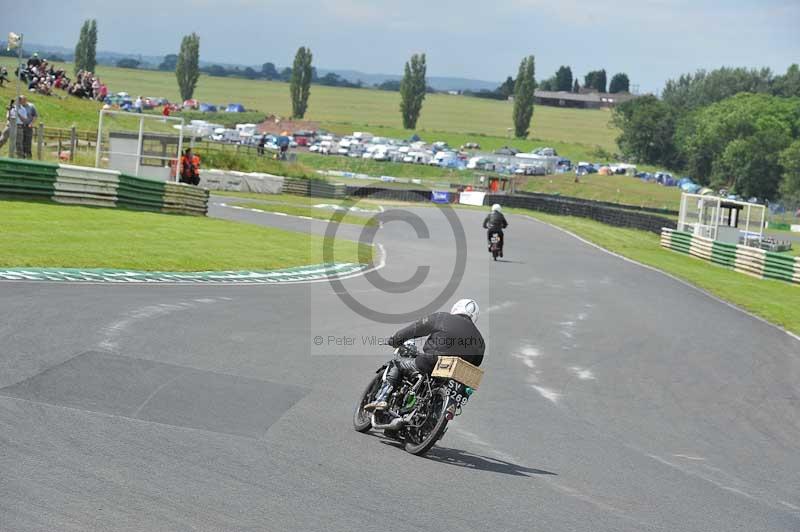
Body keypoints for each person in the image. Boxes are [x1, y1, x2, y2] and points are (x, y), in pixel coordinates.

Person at [364, 299, 485, 412]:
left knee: (396, 363)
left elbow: (416, 328)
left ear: (456, 308)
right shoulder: (480, 340)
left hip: (430, 361)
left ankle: (381, 398)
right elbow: (476, 362)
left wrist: (395, 340)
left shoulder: (442, 318)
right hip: (454, 375)